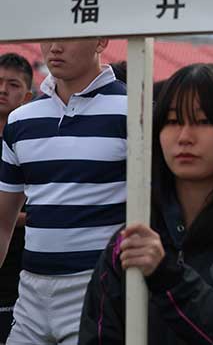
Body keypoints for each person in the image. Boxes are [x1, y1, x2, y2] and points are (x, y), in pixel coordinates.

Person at [79, 63, 213, 344]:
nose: (184, 137)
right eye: (172, 121)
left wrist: (169, 278)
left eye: (203, 121)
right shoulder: (133, 239)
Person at [0, 39, 126, 345]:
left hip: (97, 289)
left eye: (68, 37)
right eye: (49, 37)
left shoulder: (133, 111)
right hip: (29, 292)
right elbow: (2, 224)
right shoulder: (20, 121)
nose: (54, 47)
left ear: (101, 40)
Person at [0, 54, 33, 345]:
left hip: (20, 274)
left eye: (12, 84)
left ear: (27, 96)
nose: (2, 90)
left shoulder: (31, 143)